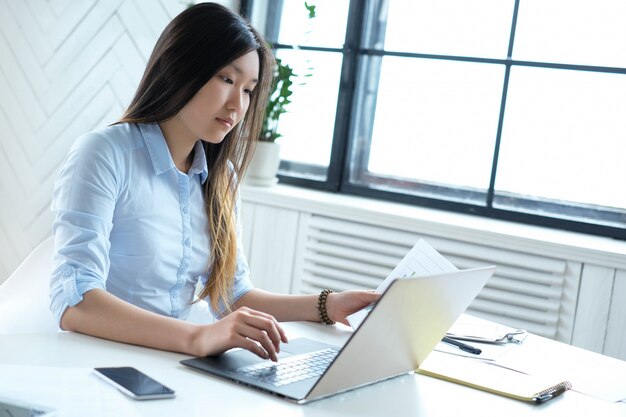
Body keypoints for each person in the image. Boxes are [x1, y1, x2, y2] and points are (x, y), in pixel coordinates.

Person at [49, 2, 378, 362]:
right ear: (180, 68)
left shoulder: (221, 176)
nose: (238, 104)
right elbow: (75, 302)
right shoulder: (104, 153)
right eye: (226, 79)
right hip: (104, 360)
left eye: (249, 89)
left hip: (176, 361)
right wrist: (200, 337)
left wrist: (329, 305)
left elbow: (232, 296)